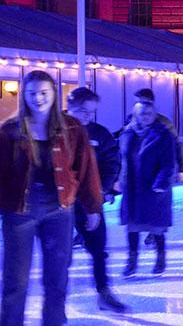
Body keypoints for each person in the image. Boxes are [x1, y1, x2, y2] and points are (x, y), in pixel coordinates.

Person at [0, 71, 104, 326]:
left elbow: (86, 168)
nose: (38, 98)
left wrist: (92, 207)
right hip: (19, 212)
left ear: (54, 95)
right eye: (32, 93)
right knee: (16, 280)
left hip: (59, 212)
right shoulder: (9, 131)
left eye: (44, 92)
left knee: (56, 278)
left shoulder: (72, 127)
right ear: (24, 96)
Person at [62, 87, 128, 313]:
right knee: (61, 253)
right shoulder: (55, 130)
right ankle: (57, 297)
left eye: (91, 113)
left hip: (90, 200)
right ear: (70, 106)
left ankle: (104, 292)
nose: (87, 117)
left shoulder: (100, 134)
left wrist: (104, 189)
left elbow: (111, 163)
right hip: (60, 203)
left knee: (98, 249)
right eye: (82, 111)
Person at [117, 98, 177, 276]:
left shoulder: (163, 134)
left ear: (154, 115)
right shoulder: (127, 133)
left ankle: (160, 258)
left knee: (156, 228)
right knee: (132, 227)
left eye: (149, 113)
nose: (145, 117)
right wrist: (117, 179)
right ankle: (132, 261)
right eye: (142, 113)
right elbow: (121, 159)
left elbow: (168, 163)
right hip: (133, 189)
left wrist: (161, 183)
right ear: (136, 114)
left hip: (153, 189)